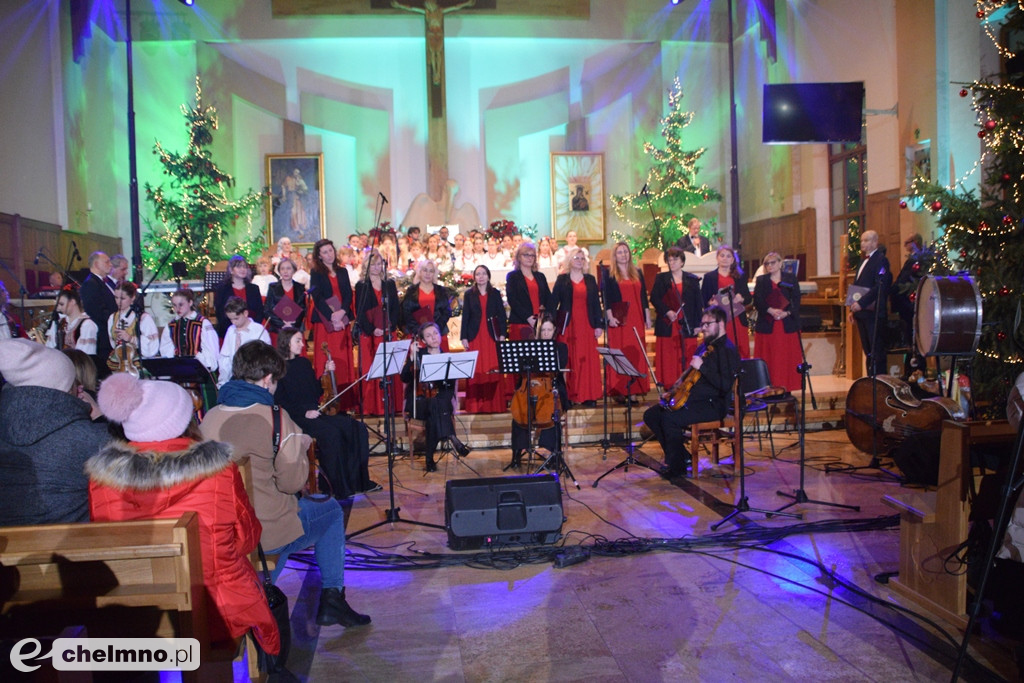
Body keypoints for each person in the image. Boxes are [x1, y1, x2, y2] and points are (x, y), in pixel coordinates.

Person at [86, 372, 280, 655]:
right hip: (212, 609)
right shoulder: (218, 470)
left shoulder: (102, 479)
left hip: (137, 615)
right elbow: (246, 537)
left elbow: (107, 546)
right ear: (184, 420)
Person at [201, 341, 371, 628]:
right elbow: (292, 484)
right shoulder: (277, 418)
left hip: (223, 528)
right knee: (329, 511)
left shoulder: (210, 417)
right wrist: (301, 449)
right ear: (268, 379)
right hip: (264, 531)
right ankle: (333, 599)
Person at [0, 339, 110, 525]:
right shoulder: (90, 439)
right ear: (63, 390)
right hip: (73, 549)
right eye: (75, 383)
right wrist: (101, 420)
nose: (81, 387)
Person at [274, 329, 378, 498]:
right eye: (298, 341)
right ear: (286, 343)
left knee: (356, 428)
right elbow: (280, 401)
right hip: (296, 416)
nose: (302, 344)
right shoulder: (278, 369)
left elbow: (315, 391)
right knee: (331, 433)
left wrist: (325, 373)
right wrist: (304, 412)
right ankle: (335, 486)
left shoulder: (303, 363)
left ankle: (359, 481)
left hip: (315, 412)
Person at [643, 306, 741, 478]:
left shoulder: (727, 350)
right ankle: (682, 456)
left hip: (713, 405)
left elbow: (725, 385)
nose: (703, 328)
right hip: (694, 400)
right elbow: (687, 377)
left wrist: (703, 367)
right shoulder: (704, 347)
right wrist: (673, 393)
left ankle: (677, 467)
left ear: (721, 324)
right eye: (702, 324)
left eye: (707, 324)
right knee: (652, 415)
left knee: (669, 419)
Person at [401, 322, 470, 472]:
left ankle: (429, 459)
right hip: (418, 403)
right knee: (435, 406)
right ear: (423, 341)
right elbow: (404, 378)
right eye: (428, 335)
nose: (433, 337)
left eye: (435, 333)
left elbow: (450, 388)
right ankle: (453, 439)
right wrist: (411, 358)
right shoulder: (419, 355)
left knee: (435, 408)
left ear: (440, 335)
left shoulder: (448, 358)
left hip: (439, 404)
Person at [509, 316, 569, 469]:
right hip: (529, 385)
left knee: (553, 412)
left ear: (554, 331)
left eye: (549, 330)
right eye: (543, 330)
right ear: (539, 331)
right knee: (519, 413)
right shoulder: (530, 347)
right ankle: (516, 453)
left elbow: (559, 367)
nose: (546, 333)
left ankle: (554, 453)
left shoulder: (560, 347)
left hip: (550, 388)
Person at [548, 246, 603, 406]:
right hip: (568, 325)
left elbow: (595, 304)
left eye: (581, 258)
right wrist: (550, 324)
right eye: (576, 258)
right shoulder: (562, 279)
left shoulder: (590, 279)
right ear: (569, 261)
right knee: (570, 360)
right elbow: (553, 303)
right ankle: (570, 396)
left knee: (587, 361)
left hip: (587, 324)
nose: (579, 261)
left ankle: (589, 395)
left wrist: (598, 324)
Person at [309, 238, 356, 410]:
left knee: (343, 359)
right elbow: (318, 298)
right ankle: (327, 399)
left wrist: (342, 312)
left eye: (331, 250)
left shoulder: (343, 271)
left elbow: (348, 295)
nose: (329, 254)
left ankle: (345, 401)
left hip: (342, 321)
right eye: (325, 252)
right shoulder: (316, 273)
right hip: (325, 323)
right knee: (327, 358)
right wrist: (332, 317)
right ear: (319, 256)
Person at [354, 249, 402, 416]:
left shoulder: (389, 283)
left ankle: (391, 406)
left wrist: (390, 325)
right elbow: (359, 312)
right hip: (370, 336)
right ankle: (372, 407)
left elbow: (396, 307)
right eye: (372, 264)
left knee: (390, 369)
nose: (376, 267)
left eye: (378, 263)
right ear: (366, 265)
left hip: (388, 333)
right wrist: (372, 329)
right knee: (372, 369)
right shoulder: (361, 286)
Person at [603, 242, 651, 401]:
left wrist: (647, 316)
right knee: (622, 351)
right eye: (619, 252)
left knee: (635, 351)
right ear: (615, 256)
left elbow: (643, 296)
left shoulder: (637, 272)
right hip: (620, 319)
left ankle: (635, 389)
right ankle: (621, 389)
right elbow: (607, 298)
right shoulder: (609, 274)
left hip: (636, 318)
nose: (623, 255)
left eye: (625, 251)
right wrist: (610, 317)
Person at [649, 246, 702, 388]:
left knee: (686, 355)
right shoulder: (662, 278)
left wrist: (698, 324)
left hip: (687, 323)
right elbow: (654, 298)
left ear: (682, 262)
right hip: (668, 323)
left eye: (675, 260)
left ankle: (686, 384)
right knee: (669, 356)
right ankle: (669, 385)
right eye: (670, 260)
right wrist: (667, 311)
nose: (672, 263)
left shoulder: (692, 279)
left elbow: (698, 304)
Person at [461, 265, 510, 413]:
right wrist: (464, 337)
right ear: (474, 277)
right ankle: (476, 407)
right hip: (475, 336)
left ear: (488, 276)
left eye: (483, 274)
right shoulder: (469, 294)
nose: (481, 276)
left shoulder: (495, 293)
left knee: (492, 368)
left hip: (491, 337)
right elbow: (466, 317)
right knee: (477, 369)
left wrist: (502, 334)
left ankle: (494, 405)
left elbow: (501, 315)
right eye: (477, 274)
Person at [753, 251, 802, 391]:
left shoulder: (790, 278)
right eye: (767, 263)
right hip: (768, 323)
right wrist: (770, 310)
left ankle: (787, 386)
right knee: (770, 357)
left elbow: (796, 299)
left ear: (780, 263)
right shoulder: (762, 280)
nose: (770, 266)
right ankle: (768, 386)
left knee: (785, 358)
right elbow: (757, 300)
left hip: (787, 324)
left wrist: (786, 313)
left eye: (773, 262)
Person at [849, 229, 892, 376]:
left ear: (875, 242)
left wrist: (861, 303)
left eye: (866, 240)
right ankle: (870, 382)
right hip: (862, 313)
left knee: (876, 351)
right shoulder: (862, 262)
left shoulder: (881, 260)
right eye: (861, 240)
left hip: (874, 314)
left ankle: (879, 383)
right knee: (868, 352)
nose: (862, 243)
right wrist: (852, 310)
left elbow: (880, 285)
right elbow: (856, 288)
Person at [891, 233, 933, 378]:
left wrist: (894, 289)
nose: (905, 246)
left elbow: (907, 281)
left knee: (915, 338)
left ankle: (918, 369)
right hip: (907, 304)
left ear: (915, 242)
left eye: (907, 242)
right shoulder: (912, 259)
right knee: (910, 338)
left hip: (911, 305)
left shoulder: (918, 260)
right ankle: (911, 368)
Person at [700, 244, 751, 358]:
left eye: (728, 256)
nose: (725, 258)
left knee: (739, 352)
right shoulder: (709, 277)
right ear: (717, 258)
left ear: (733, 259)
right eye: (722, 255)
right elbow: (703, 299)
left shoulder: (740, 276)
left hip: (737, 320)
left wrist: (741, 298)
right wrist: (710, 303)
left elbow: (748, 299)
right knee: (720, 353)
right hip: (718, 321)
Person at [160, 288, 220, 373]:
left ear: (190, 303)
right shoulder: (171, 326)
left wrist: (203, 361)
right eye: (174, 305)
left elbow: (212, 351)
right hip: (179, 372)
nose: (177, 308)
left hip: (201, 372)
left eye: (181, 304)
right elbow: (166, 351)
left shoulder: (203, 323)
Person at [218, 296, 271, 387]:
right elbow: (225, 358)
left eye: (236, 318)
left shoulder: (258, 330)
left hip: (254, 380)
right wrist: (223, 381)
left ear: (245, 313)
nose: (233, 322)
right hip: (234, 378)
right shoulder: (231, 330)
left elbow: (266, 359)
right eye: (230, 319)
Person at [401, 259, 453, 351]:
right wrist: (420, 331)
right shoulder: (411, 291)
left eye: (431, 271)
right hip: (417, 335)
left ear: (434, 274)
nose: (428, 274)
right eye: (425, 270)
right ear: (420, 272)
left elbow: (447, 311)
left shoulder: (441, 291)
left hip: (439, 334)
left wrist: (436, 329)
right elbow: (406, 312)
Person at [106, 281, 159, 370]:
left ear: (133, 298)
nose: (118, 302)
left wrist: (131, 339)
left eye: (122, 298)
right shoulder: (112, 318)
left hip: (137, 365)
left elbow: (152, 346)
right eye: (116, 298)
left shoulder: (143, 318)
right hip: (117, 365)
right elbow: (112, 343)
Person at [79, 251, 117, 369]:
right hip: (102, 337)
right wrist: (115, 322)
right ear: (96, 264)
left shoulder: (104, 283)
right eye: (106, 262)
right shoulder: (91, 284)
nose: (110, 264)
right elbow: (97, 311)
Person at [506, 241, 551, 341]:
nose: (530, 258)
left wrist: (545, 318)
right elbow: (512, 300)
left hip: (540, 324)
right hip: (520, 323)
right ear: (519, 257)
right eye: (526, 255)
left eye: (532, 255)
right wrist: (528, 317)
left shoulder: (540, 276)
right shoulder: (513, 276)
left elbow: (548, 298)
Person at [213, 255, 264, 340]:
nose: (242, 269)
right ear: (231, 270)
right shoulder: (222, 289)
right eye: (238, 266)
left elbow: (259, 311)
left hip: (251, 331)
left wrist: (250, 327)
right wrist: (235, 327)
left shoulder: (254, 288)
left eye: (244, 267)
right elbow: (220, 313)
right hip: (229, 332)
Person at [263, 256, 307, 348]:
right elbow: (267, 310)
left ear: (294, 270)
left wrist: (292, 324)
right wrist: (282, 324)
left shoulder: (300, 287)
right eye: (282, 269)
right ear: (279, 271)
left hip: (295, 330)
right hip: (277, 330)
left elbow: (302, 309)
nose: (285, 271)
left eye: (288, 268)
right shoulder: (273, 287)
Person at [46, 288, 98, 354]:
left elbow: (85, 354)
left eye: (62, 304)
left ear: (73, 302)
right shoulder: (59, 323)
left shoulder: (87, 324)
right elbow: (50, 347)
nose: (58, 308)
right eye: (58, 305)